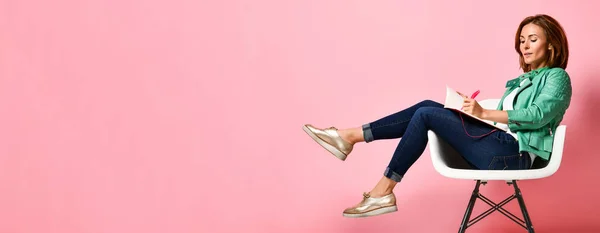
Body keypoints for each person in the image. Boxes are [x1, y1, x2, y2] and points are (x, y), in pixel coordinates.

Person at [302, 14, 572, 218]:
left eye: (532, 40)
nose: (524, 46)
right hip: (499, 146)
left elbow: (537, 116)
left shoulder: (558, 77)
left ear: (551, 44)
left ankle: (380, 188)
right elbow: (507, 122)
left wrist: (484, 112)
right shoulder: (524, 80)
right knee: (428, 105)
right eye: (522, 40)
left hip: (516, 156)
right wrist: (470, 114)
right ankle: (350, 138)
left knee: (426, 114)